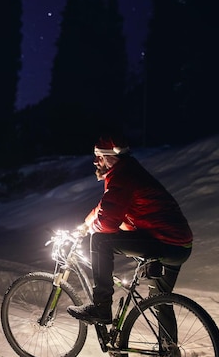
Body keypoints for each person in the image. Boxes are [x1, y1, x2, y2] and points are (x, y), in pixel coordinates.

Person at [67, 136, 193, 330]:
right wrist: (86, 223)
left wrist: (92, 229)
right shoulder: (129, 172)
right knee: (159, 299)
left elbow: (108, 223)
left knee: (100, 241)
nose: (95, 161)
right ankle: (169, 351)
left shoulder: (122, 176)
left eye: (99, 156)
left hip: (164, 242)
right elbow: (107, 205)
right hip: (181, 246)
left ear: (111, 157)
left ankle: (101, 307)